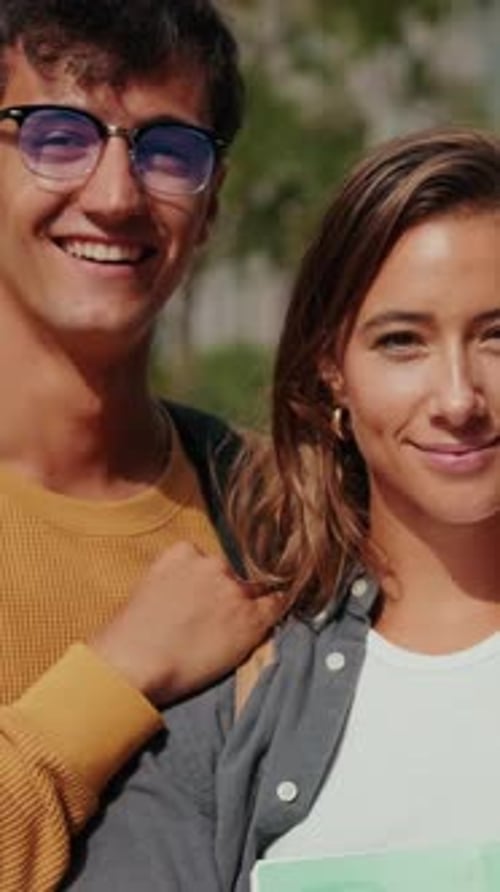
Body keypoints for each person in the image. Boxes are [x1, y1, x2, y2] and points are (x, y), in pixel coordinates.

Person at [65, 124, 500, 891]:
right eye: (403, 342)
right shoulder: (224, 723)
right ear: (331, 374)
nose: (459, 398)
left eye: (499, 338)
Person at [0, 2, 288, 890]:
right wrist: (120, 674)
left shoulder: (281, 511)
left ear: (211, 207)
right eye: (57, 136)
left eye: (168, 151)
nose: (117, 195)